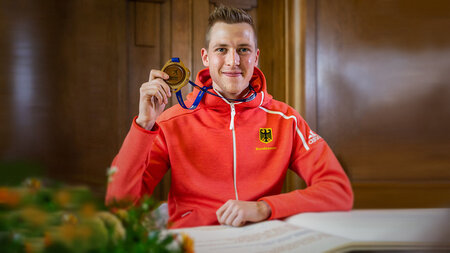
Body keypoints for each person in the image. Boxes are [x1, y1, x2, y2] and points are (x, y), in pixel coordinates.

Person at [106, 6, 353, 229]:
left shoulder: (285, 120)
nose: (233, 61)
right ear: (206, 56)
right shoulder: (171, 122)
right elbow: (121, 206)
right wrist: (144, 125)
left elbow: (338, 190)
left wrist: (263, 207)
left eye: (243, 50)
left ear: (255, 57)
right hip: (195, 242)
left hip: (262, 243)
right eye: (221, 49)